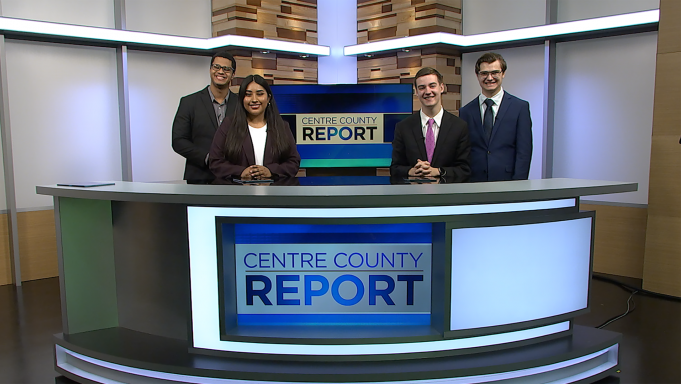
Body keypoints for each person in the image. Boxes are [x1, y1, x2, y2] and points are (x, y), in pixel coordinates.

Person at [209, 74, 300, 180]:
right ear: (242, 99)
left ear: (268, 97)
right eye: (248, 95)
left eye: (260, 94)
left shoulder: (282, 126)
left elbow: (293, 162)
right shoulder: (229, 125)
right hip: (238, 192)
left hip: (274, 192)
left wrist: (270, 171)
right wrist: (240, 172)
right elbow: (215, 161)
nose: (254, 99)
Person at [459, 52, 532, 182]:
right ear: (477, 75)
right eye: (484, 73)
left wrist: (519, 184)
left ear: (503, 73)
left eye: (495, 72)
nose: (489, 77)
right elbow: (464, 151)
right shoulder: (466, 111)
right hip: (474, 182)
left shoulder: (520, 107)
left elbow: (524, 152)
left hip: (507, 181)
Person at [390, 67, 470, 182]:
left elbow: (464, 169)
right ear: (416, 92)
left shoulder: (459, 127)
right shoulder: (403, 127)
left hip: (447, 196)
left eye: (432, 86)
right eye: (422, 88)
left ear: (441, 87)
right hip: (414, 196)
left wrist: (438, 171)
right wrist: (411, 171)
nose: (427, 91)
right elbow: (395, 168)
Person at [172, 50, 238, 183]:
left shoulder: (241, 105)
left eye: (226, 69)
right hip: (199, 177)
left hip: (234, 178)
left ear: (233, 74)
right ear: (210, 69)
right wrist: (208, 158)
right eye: (216, 67)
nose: (221, 72)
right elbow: (178, 141)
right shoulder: (189, 102)